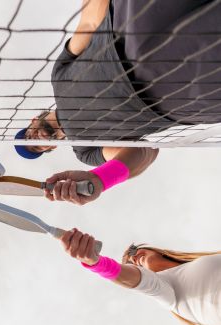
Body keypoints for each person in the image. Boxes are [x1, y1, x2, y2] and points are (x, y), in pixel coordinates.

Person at [14, 0, 221, 205]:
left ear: (33, 121)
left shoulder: (58, 77)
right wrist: (101, 179)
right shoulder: (84, 150)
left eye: (27, 137)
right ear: (49, 149)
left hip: (132, 27)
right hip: (177, 94)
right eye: (35, 148)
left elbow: (90, 22)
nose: (33, 141)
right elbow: (143, 153)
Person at [60, 228, 221, 325]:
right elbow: (144, 282)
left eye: (133, 250)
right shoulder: (167, 291)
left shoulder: (202, 261)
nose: (133, 257)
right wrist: (96, 262)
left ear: (156, 250)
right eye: (129, 263)